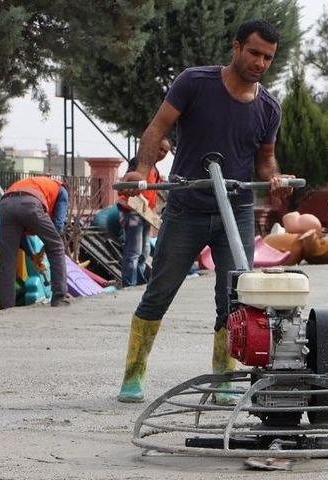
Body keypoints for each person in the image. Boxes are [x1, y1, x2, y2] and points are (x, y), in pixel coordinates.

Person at [116, 19, 292, 403]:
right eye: (254, 53)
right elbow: (157, 127)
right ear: (236, 47)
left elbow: (266, 160)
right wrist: (140, 171)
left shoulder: (268, 108)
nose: (260, 62)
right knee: (158, 293)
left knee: (233, 298)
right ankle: (133, 375)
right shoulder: (194, 83)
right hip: (187, 208)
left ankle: (224, 381)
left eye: (268, 57)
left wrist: (275, 179)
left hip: (237, 212)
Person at [0, 176, 71, 309]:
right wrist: (47, 247)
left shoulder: (35, 183)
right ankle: (59, 297)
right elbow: (58, 225)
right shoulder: (62, 190)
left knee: (7, 259)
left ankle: (6, 306)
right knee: (57, 247)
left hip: (5, 205)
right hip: (30, 203)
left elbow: (21, 238)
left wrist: (33, 255)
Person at [117, 138, 170, 287]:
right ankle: (129, 284)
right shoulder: (138, 163)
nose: (162, 153)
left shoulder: (155, 169)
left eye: (165, 151)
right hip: (132, 210)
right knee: (133, 250)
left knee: (144, 251)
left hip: (145, 213)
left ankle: (139, 283)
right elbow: (129, 182)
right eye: (160, 149)